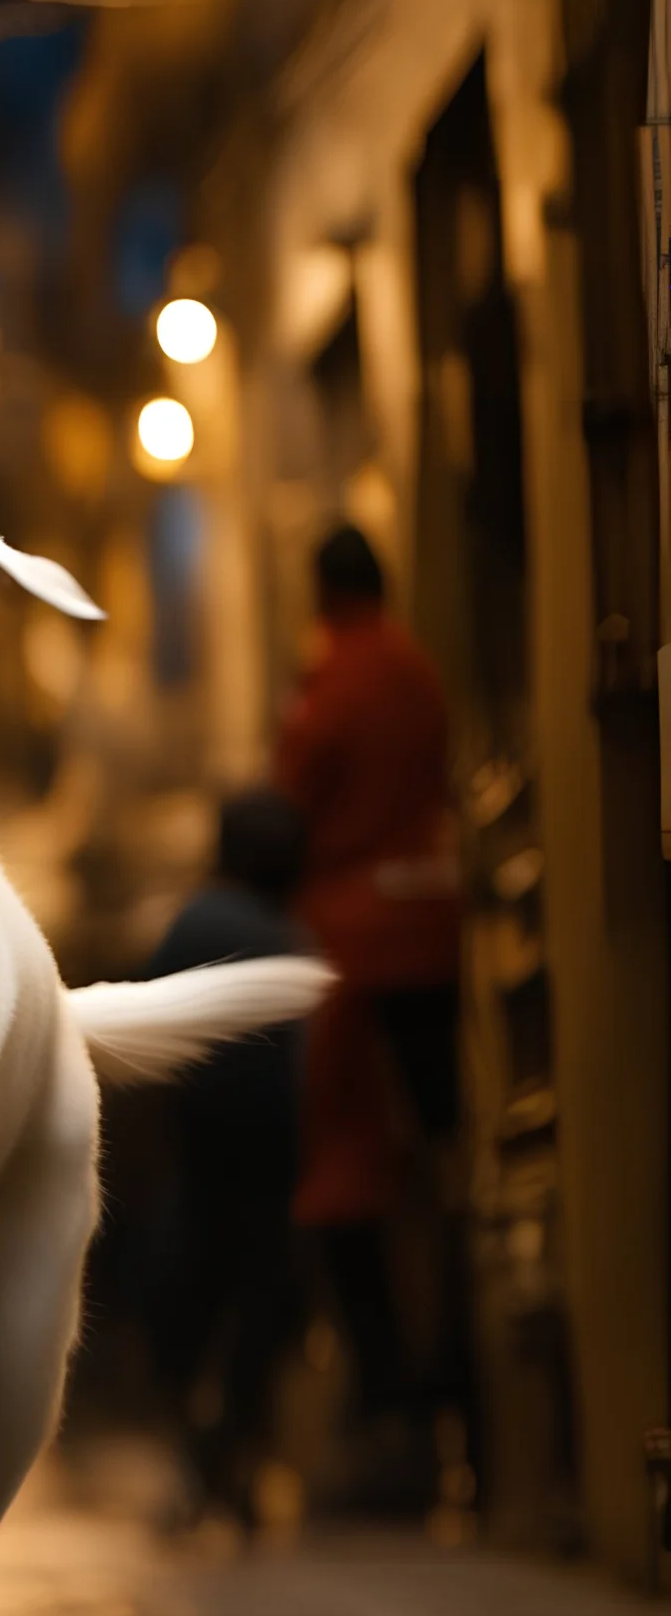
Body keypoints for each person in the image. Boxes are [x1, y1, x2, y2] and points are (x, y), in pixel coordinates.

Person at [274, 523, 468, 1501]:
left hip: (352, 947)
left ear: (322, 593)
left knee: (345, 1170)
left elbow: (292, 796)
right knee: (449, 1160)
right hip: (437, 932)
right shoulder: (420, 674)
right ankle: (458, 1380)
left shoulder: (332, 685)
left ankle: (387, 1401)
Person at [141, 787, 312, 1524]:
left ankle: (200, 1453)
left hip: (199, 1153)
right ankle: (232, 1453)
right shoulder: (294, 938)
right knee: (264, 1312)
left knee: (190, 1307)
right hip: (277, 1160)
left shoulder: (191, 925)